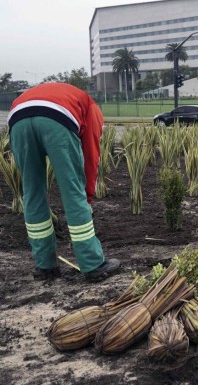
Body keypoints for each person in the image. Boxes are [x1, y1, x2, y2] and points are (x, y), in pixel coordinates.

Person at [7, 82, 120, 281]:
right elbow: (91, 157)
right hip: (57, 118)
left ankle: (45, 266)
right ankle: (92, 264)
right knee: (72, 191)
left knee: (32, 192)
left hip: (18, 117)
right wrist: (87, 197)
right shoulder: (92, 109)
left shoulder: (69, 94)